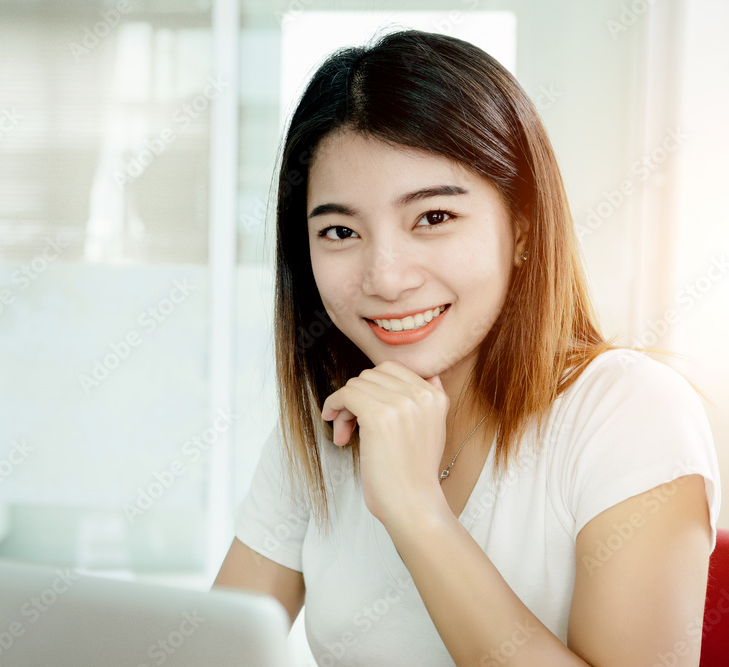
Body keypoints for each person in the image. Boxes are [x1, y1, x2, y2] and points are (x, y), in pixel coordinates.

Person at [213, 29, 721, 665]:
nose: (386, 277)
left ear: (523, 230)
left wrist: (418, 513)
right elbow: (209, 648)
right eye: (340, 230)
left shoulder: (630, 412)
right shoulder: (326, 428)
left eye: (433, 218)